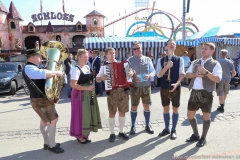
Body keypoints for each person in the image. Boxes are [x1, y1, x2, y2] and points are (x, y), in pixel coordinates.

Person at [22, 48, 64, 153]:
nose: (41, 58)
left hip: (41, 99)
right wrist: (57, 72)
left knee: (45, 121)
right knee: (53, 120)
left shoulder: (34, 67)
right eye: (39, 57)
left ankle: (47, 143)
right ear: (33, 57)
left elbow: (44, 73)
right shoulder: (29, 68)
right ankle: (52, 145)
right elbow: (43, 74)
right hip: (40, 100)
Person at [186, 43, 222, 147]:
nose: (203, 50)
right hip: (194, 92)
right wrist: (196, 74)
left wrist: (205, 72)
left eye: (205, 49)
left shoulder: (215, 64)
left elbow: (217, 79)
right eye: (202, 49)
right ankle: (196, 135)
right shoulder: (195, 62)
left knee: (206, 116)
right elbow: (187, 75)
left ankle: (203, 138)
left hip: (206, 93)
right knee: (190, 115)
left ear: (212, 51)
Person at [96, 47, 130, 142]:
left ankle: (121, 131)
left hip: (123, 91)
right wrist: (102, 78)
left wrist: (131, 73)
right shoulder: (104, 66)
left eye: (113, 53)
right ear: (106, 55)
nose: (112, 54)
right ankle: (112, 133)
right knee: (112, 113)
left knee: (122, 112)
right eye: (110, 53)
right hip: (112, 93)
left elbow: (130, 73)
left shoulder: (123, 64)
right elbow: (97, 79)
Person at [70, 49, 102, 144]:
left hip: (88, 94)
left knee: (87, 114)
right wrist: (87, 88)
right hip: (79, 95)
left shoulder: (87, 67)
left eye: (87, 57)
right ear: (78, 57)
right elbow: (73, 85)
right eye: (85, 57)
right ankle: (79, 135)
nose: (87, 58)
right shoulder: (75, 69)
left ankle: (85, 134)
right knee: (80, 115)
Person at [156, 39, 185, 140]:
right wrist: (167, 66)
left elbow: (182, 74)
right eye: (170, 44)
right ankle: (167, 128)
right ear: (166, 47)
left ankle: (174, 129)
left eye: (174, 44)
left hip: (175, 87)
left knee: (175, 108)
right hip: (164, 86)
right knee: (166, 108)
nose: (172, 45)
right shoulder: (160, 60)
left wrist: (177, 84)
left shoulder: (180, 59)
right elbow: (159, 74)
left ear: (175, 47)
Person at [128, 42, 156, 135]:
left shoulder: (147, 59)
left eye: (138, 48)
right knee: (134, 106)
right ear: (132, 50)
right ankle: (133, 126)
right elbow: (127, 75)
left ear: (141, 49)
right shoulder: (129, 60)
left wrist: (149, 75)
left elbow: (153, 71)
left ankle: (147, 125)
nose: (136, 50)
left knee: (146, 106)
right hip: (135, 87)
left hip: (146, 86)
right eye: (134, 49)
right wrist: (132, 76)